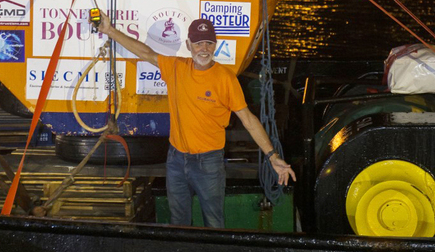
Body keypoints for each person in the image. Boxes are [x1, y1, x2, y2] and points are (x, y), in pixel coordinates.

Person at [95, 12, 296, 228]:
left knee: (214, 223)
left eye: (209, 43)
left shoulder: (225, 79)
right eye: (199, 43)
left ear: (216, 46)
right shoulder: (176, 68)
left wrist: (273, 157)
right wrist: (109, 30)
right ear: (188, 44)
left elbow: (248, 120)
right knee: (178, 223)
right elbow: (146, 53)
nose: (204, 49)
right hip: (176, 160)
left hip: (208, 163)